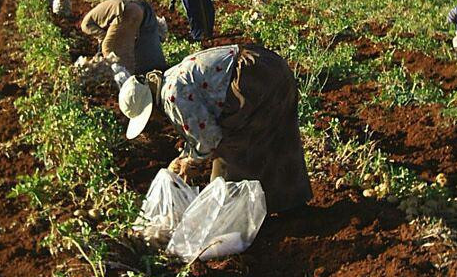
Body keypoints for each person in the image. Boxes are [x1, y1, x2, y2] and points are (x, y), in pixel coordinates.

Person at [118, 44, 313, 214]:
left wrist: (190, 161)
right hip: (270, 65)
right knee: (277, 137)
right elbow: (198, 128)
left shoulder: (172, 96)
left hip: (251, 78)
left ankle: (233, 216)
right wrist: (186, 155)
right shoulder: (169, 77)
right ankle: (291, 204)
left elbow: (209, 139)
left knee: (231, 151)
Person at [81, 0, 145, 73]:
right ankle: (130, 72)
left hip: (125, 11)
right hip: (138, 9)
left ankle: (117, 73)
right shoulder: (98, 14)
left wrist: (104, 55)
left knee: (107, 47)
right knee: (127, 46)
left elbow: (103, 36)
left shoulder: (85, 25)